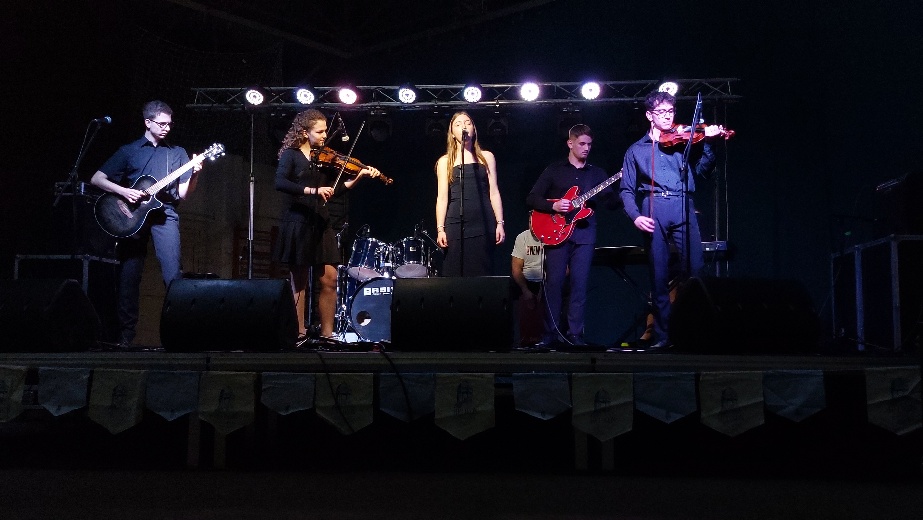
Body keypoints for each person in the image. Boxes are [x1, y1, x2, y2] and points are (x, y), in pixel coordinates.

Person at [90, 100, 203, 348]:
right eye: (161, 124)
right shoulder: (129, 151)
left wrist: (194, 172)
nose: (166, 128)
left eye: (169, 124)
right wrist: (124, 192)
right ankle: (125, 337)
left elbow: (183, 194)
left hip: (165, 215)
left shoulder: (177, 153)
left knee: (173, 275)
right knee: (129, 276)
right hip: (132, 217)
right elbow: (97, 178)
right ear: (147, 122)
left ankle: (177, 334)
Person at [619, 91, 723, 350]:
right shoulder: (636, 150)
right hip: (653, 206)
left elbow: (702, 172)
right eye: (661, 112)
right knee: (659, 275)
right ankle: (664, 336)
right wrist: (636, 216)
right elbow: (626, 190)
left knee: (695, 270)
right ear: (649, 115)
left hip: (683, 203)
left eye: (670, 112)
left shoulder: (684, 141)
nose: (668, 117)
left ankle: (695, 331)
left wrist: (708, 144)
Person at [272, 109, 380, 342]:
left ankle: (328, 335)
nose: (324, 135)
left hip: (321, 222)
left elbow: (334, 191)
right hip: (298, 221)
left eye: (324, 131)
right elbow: (280, 182)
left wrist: (358, 177)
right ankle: (299, 334)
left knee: (330, 279)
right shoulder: (291, 155)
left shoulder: (323, 158)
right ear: (305, 132)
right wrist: (312, 190)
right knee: (299, 282)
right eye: (320, 132)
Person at [527, 124, 619, 347]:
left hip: (585, 234)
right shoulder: (554, 170)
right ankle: (549, 334)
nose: (586, 148)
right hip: (556, 234)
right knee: (554, 284)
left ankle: (575, 334)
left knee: (579, 285)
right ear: (570, 143)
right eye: (582, 144)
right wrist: (554, 206)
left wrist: (623, 194)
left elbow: (610, 203)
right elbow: (532, 198)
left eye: (589, 144)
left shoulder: (597, 174)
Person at [435, 111, 505, 276]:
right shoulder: (445, 161)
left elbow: (494, 192)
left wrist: (500, 223)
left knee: (482, 269)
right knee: (454, 270)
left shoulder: (486, 157)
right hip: (455, 222)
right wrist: (440, 229)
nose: (463, 127)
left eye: (467, 123)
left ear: (473, 129)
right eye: (458, 124)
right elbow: (442, 197)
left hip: (482, 221)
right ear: (452, 133)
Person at [510, 228, 545, 346]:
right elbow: (516, 268)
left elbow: (565, 269)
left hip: (546, 281)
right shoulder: (522, 237)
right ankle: (521, 339)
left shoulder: (552, 237)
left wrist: (546, 288)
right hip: (526, 281)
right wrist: (525, 290)